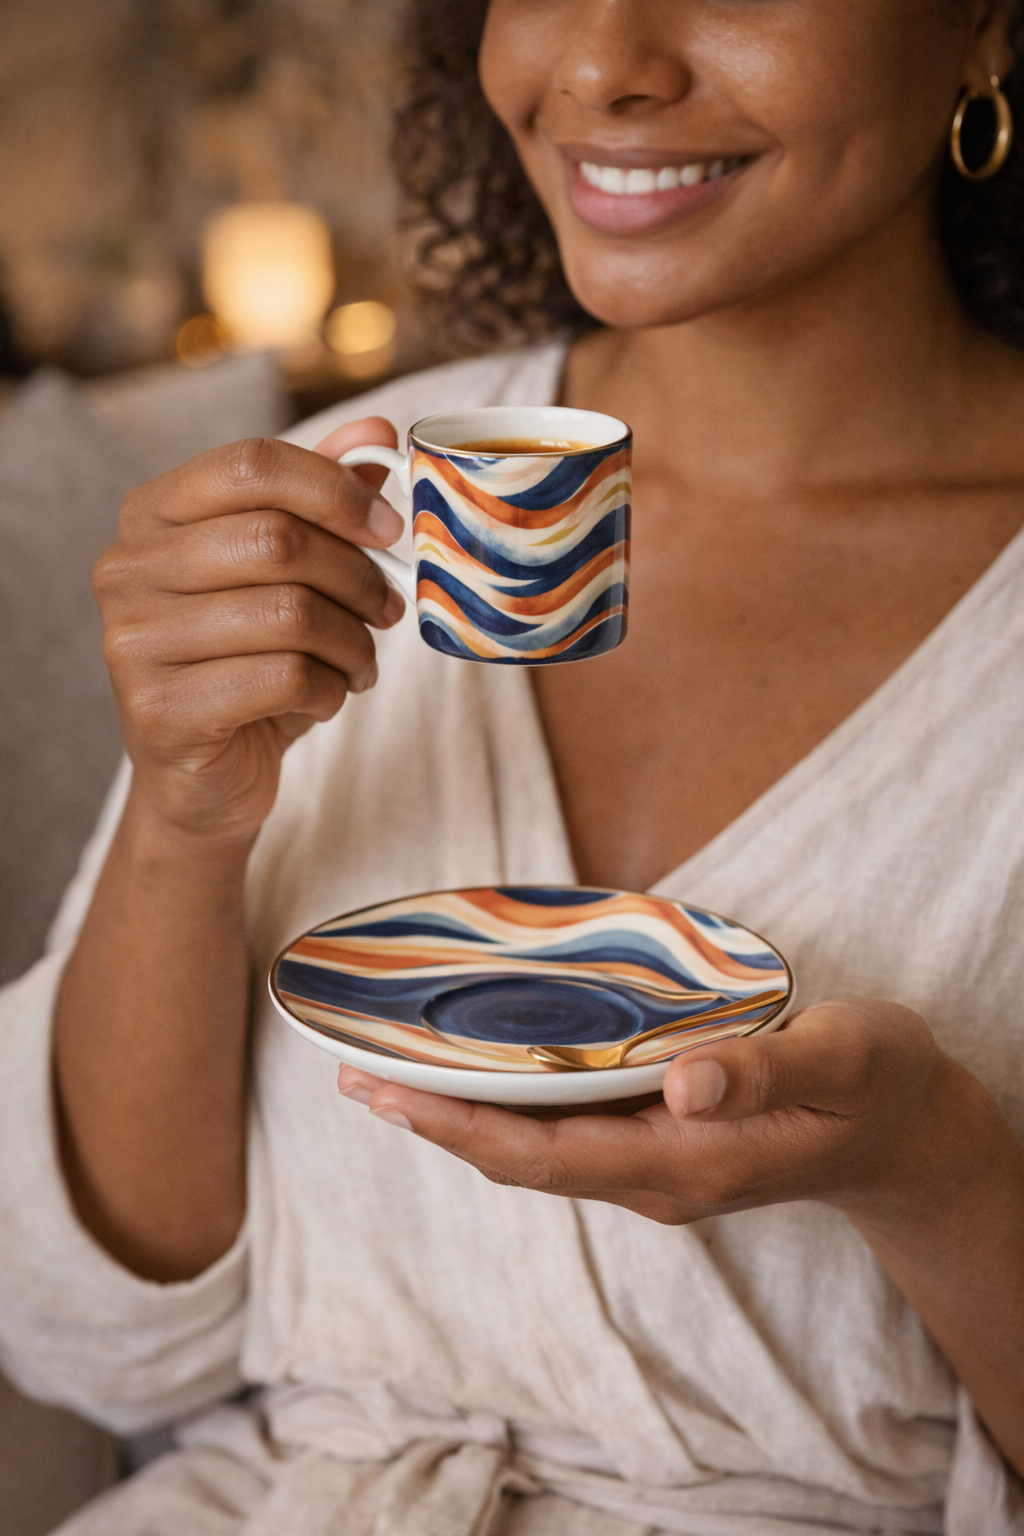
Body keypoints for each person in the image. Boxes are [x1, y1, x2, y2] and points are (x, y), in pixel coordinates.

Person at [1, 1, 1023, 1531]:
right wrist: (185, 813)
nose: (604, 64)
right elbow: (105, 1339)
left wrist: (930, 1170)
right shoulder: (362, 488)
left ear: (984, 30)